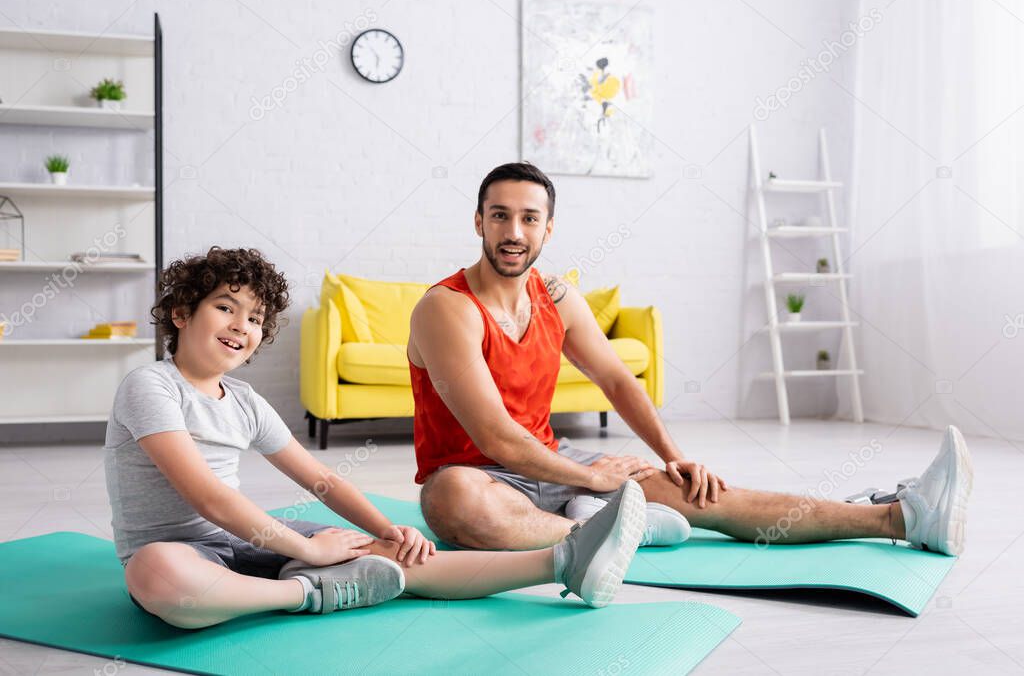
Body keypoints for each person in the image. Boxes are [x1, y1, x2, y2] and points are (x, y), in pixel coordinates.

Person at [407, 162, 973, 557]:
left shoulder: (556, 297)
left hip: (557, 466)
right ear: (478, 222)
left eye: (529, 218)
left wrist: (676, 459)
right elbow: (499, 442)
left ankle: (901, 517)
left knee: (710, 496)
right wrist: (590, 477)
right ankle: (606, 523)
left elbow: (615, 380)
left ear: (548, 228)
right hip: (480, 478)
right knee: (451, 499)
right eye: (500, 216)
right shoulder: (446, 309)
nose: (513, 232)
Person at [105, 246, 646, 629]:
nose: (240, 325)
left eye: (254, 318)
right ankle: (306, 593)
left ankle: (563, 560)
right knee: (158, 576)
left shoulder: (245, 401)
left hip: (250, 541)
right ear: (181, 314)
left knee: (398, 555)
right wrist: (306, 553)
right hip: (180, 549)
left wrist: (391, 530)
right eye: (226, 307)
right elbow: (208, 497)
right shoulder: (150, 386)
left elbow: (320, 478)